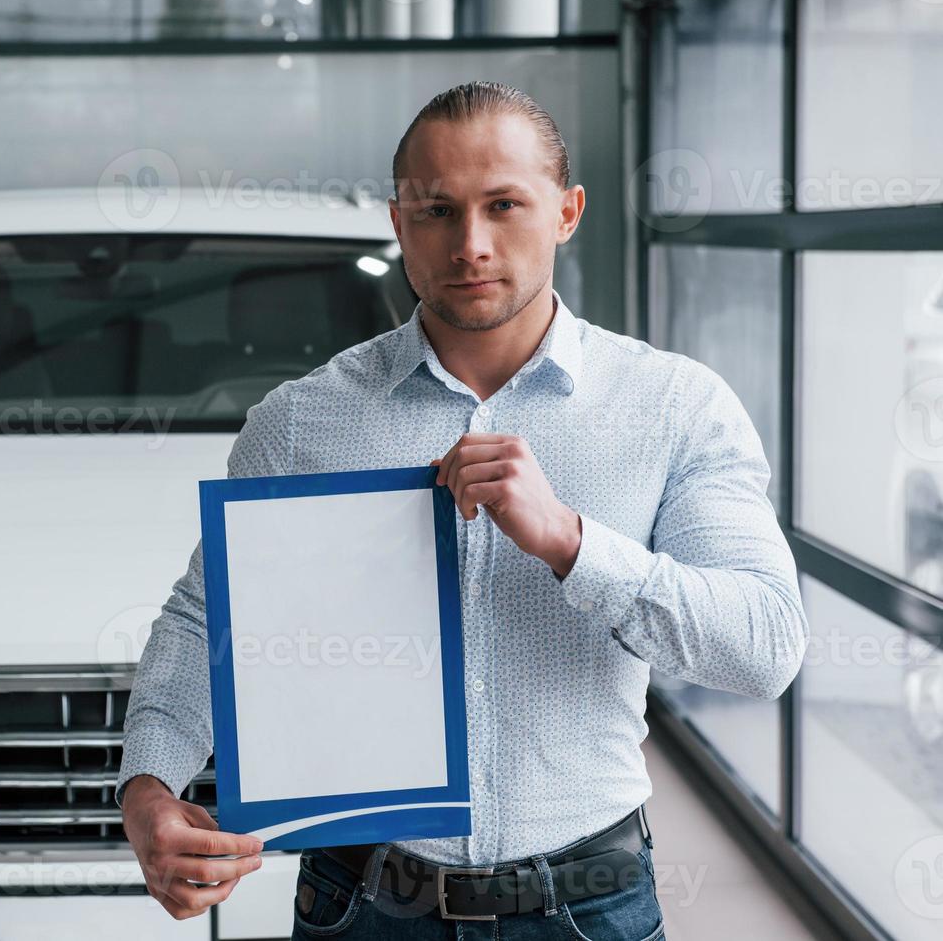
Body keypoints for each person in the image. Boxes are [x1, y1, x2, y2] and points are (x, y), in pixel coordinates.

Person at [115, 80, 807, 939]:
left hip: (588, 903)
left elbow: (765, 645)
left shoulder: (675, 407)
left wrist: (572, 544)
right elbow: (202, 621)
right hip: (359, 904)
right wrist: (148, 785)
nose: (470, 245)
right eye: (437, 211)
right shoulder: (301, 423)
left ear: (567, 211)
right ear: (400, 222)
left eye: (504, 205)